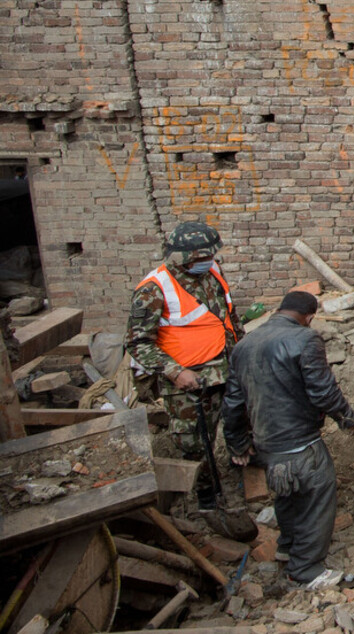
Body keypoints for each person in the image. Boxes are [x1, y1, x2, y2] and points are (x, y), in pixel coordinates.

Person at [221, 291, 354, 590]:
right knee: (317, 495)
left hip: (268, 445)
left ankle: (287, 546)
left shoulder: (243, 346)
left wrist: (237, 443)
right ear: (309, 317)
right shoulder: (305, 340)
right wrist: (347, 418)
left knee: (287, 493)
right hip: (300, 441)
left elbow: (232, 402)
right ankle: (305, 568)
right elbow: (323, 391)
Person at [126, 220, 242, 514]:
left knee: (238, 422)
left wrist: (242, 351)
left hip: (225, 369)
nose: (208, 262)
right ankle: (206, 499)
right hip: (189, 380)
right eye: (202, 258)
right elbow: (138, 343)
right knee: (193, 441)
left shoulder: (213, 272)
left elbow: (228, 315)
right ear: (181, 257)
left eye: (210, 256)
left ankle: (238, 472)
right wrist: (175, 372)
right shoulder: (153, 290)